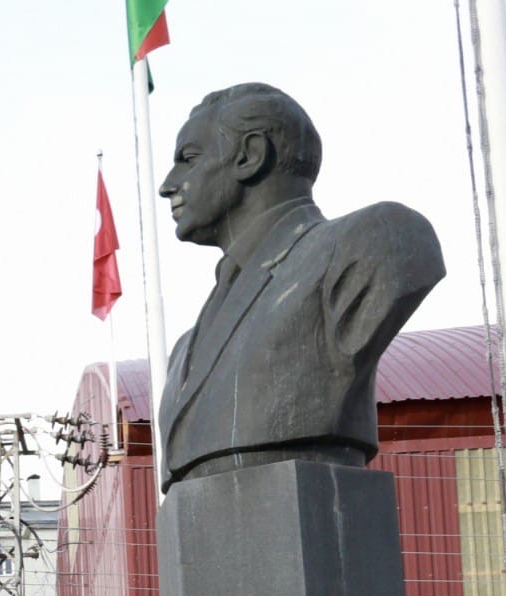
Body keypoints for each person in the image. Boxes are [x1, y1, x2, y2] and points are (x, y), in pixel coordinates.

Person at [155, 82, 445, 491]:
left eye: (188, 159)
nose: (168, 184)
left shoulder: (376, 241)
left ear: (250, 155)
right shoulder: (184, 351)